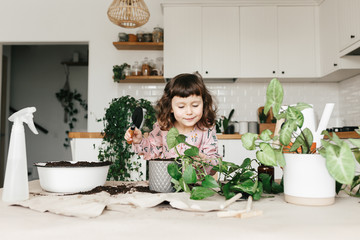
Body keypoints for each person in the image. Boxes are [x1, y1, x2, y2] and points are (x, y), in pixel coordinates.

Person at [124, 73, 220, 174]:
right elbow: (151, 151)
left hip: (197, 187)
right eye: (181, 107)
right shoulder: (163, 128)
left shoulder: (206, 129)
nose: (189, 112)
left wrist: (205, 160)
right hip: (167, 185)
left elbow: (214, 166)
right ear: (170, 108)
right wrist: (139, 141)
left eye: (195, 105)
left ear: (204, 103)